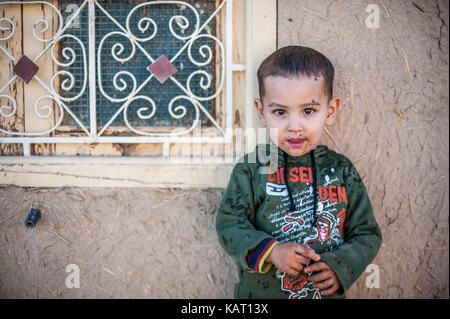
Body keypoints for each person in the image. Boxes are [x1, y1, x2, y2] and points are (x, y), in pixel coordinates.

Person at [215, 45, 382, 299]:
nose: (295, 127)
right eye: (280, 112)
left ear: (331, 111)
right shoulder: (252, 168)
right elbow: (229, 225)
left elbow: (366, 234)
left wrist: (340, 267)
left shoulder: (342, 171)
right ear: (262, 113)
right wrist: (271, 251)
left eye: (308, 111)